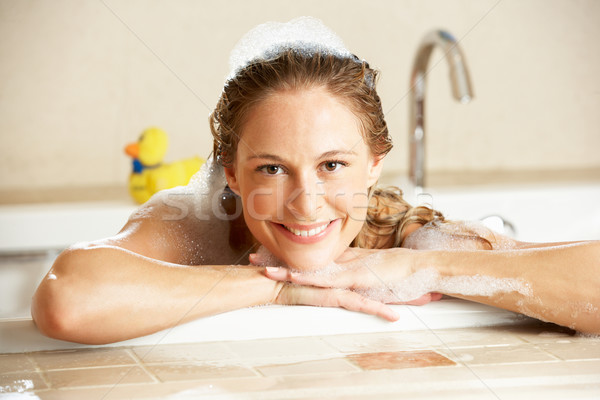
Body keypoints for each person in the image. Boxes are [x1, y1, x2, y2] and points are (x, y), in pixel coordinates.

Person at [32, 18, 600, 344]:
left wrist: (424, 266)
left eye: (332, 165)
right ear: (231, 172)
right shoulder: (198, 229)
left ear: (375, 162)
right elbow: (66, 297)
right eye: (272, 168)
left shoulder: (403, 238)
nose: (306, 204)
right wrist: (277, 286)